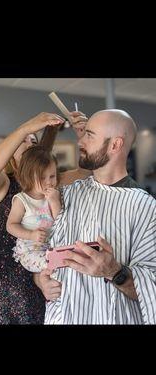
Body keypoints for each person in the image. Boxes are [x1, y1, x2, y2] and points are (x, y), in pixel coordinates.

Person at [36, 109, 156, 325]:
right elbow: (43, 252)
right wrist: (41, 280)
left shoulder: (145, 207)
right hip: (63, 317)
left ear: (115, 145)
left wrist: (114, 271)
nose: (80, 141)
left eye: (89, 135)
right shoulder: (67, 194)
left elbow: (152, 287)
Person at [0, 110, 89, 324]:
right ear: (11, 154)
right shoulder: (3, 186)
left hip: (45, 282)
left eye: (34, 140)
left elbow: (86, 172)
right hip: (6, 290)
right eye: (23, 141)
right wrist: (26, 128)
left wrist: (83, 135)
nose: (29, 142)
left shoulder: (52, 184)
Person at [6, 146, 61, 273]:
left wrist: (54, 201)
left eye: (52, 176)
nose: (48, 182)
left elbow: (60, 221)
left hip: (51, 247)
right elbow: (11, 226)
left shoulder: (54, 196)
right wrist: (31, 234)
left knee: (65, 261)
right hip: (30, 250)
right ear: (28, 176)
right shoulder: (22, 200)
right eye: (42, 177)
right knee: (53, 265)